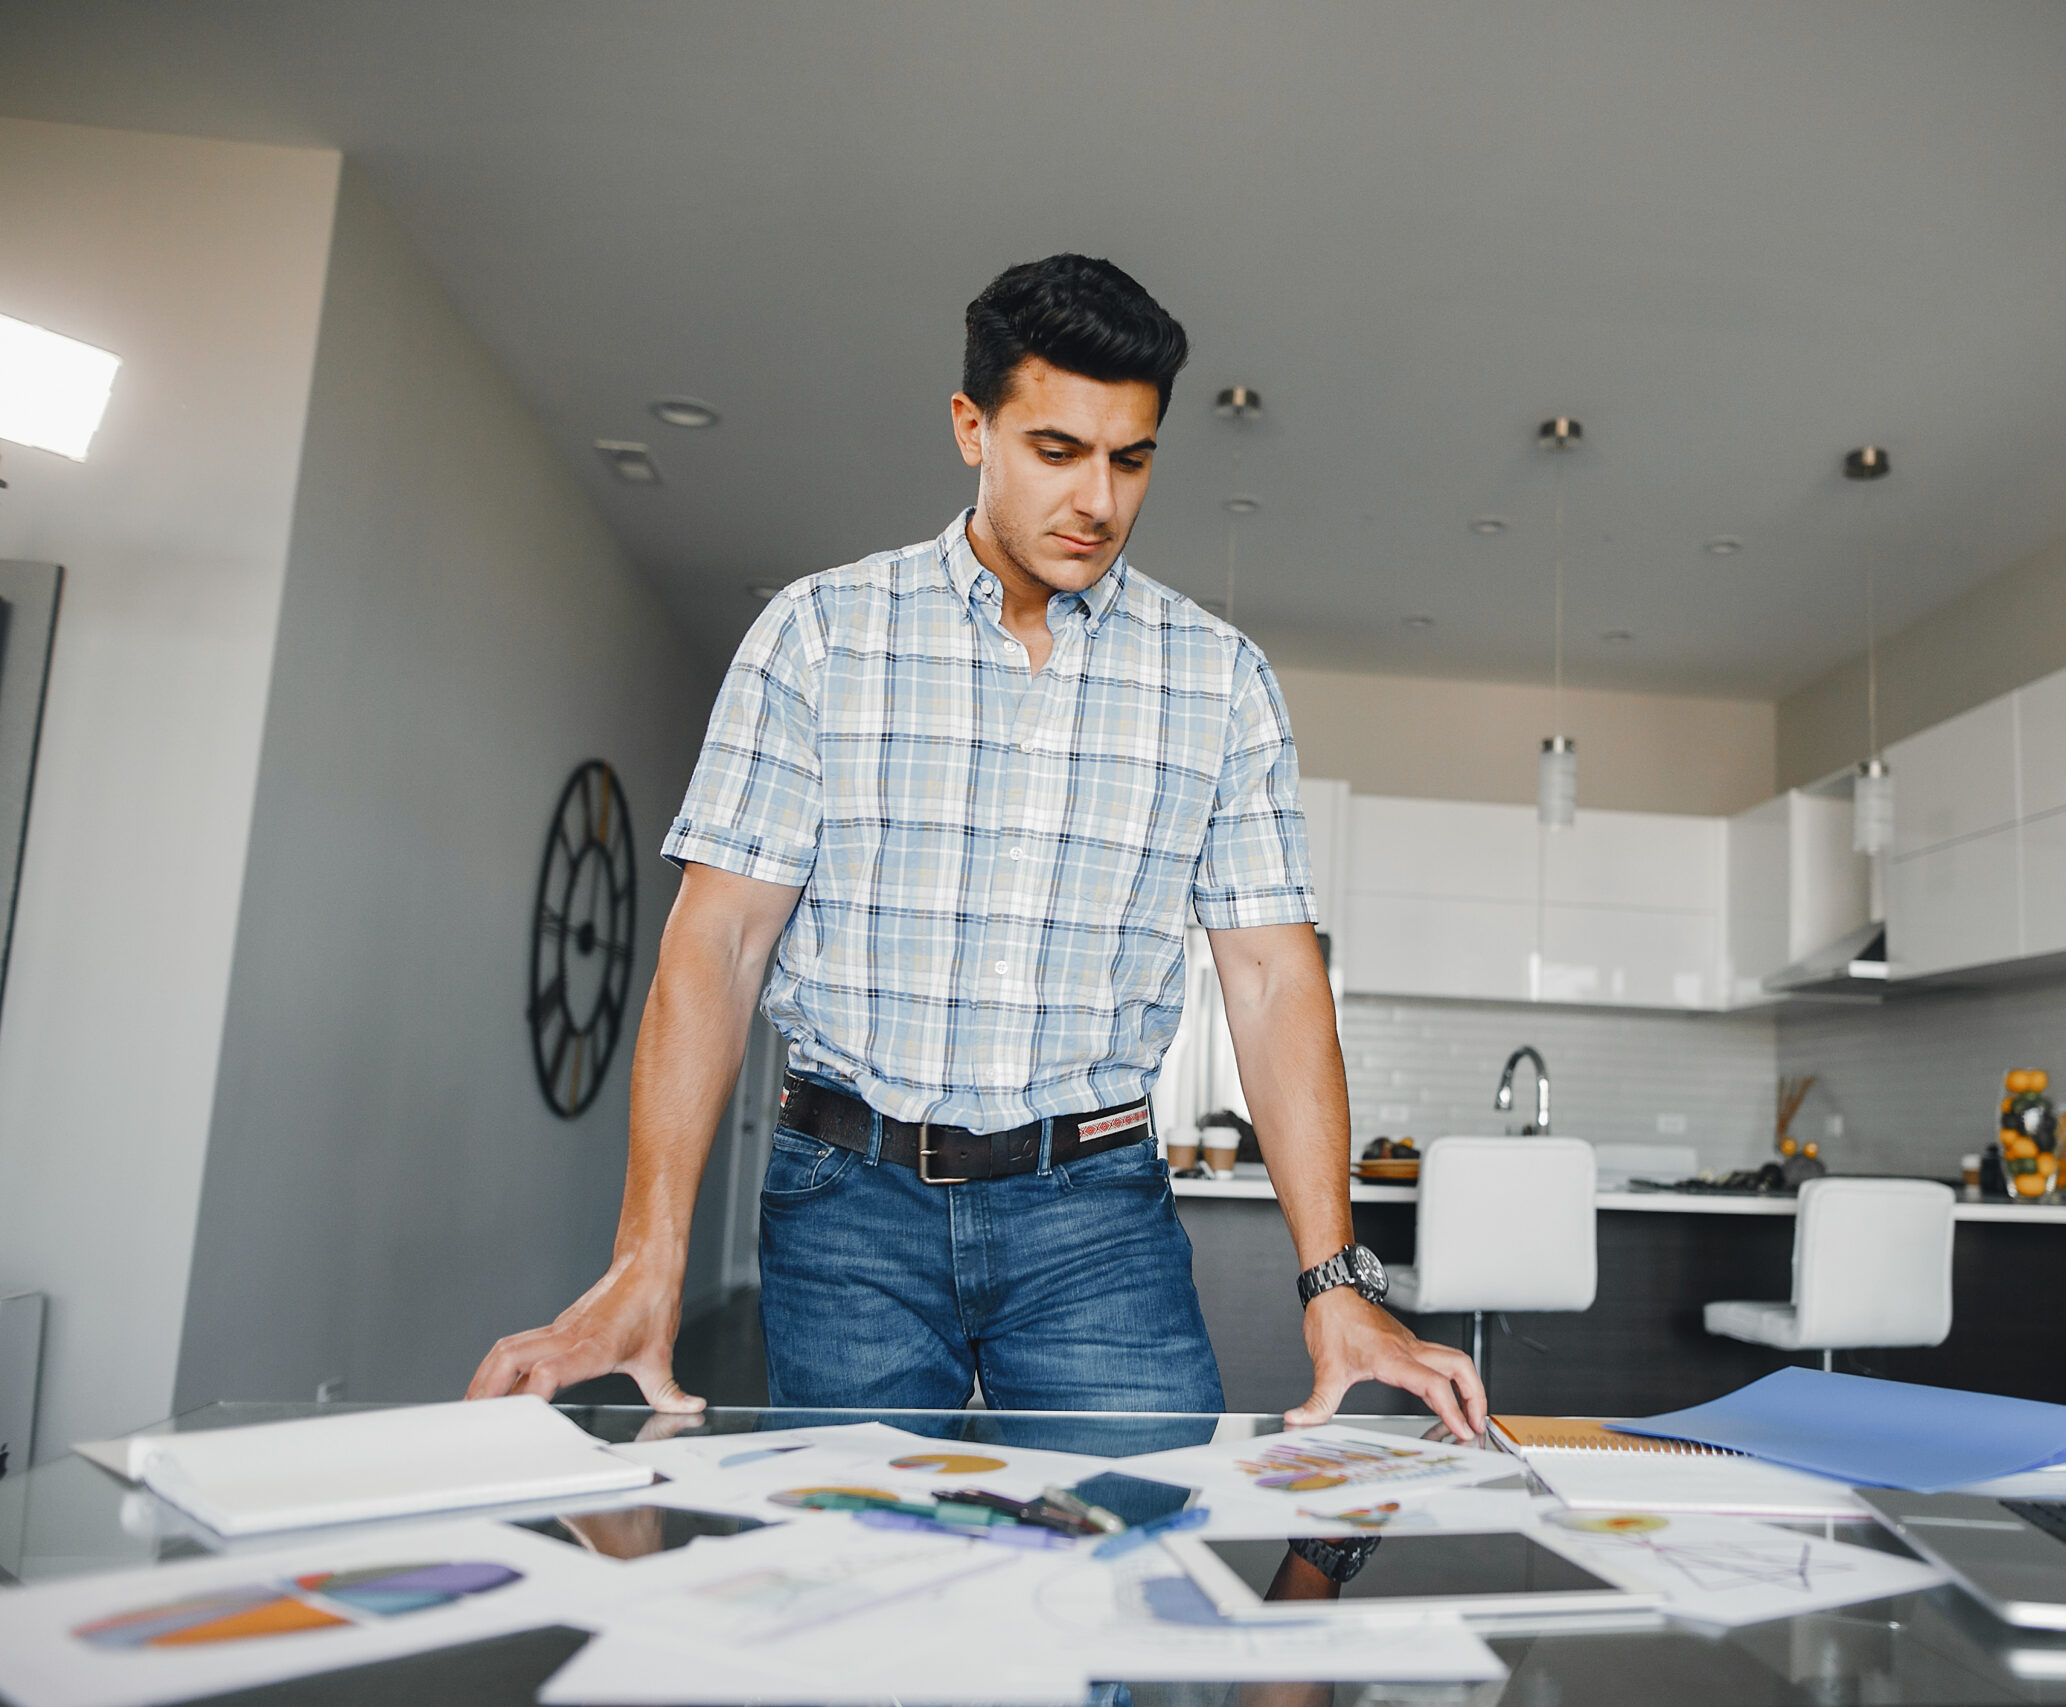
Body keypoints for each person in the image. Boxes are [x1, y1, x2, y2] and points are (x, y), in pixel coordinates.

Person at [469, 253, 1485, 1437]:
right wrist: (648, 1258)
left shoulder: (1219, 680)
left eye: (1131, 459)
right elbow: (718, 948)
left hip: (1096, 1214)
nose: (1098, 500)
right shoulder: (819, 636)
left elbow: (1269, 980)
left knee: (1147, 1530)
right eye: (1057, 450)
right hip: (848, 1206)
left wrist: (1336, 1283)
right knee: (852, 1539)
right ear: (972, 428)